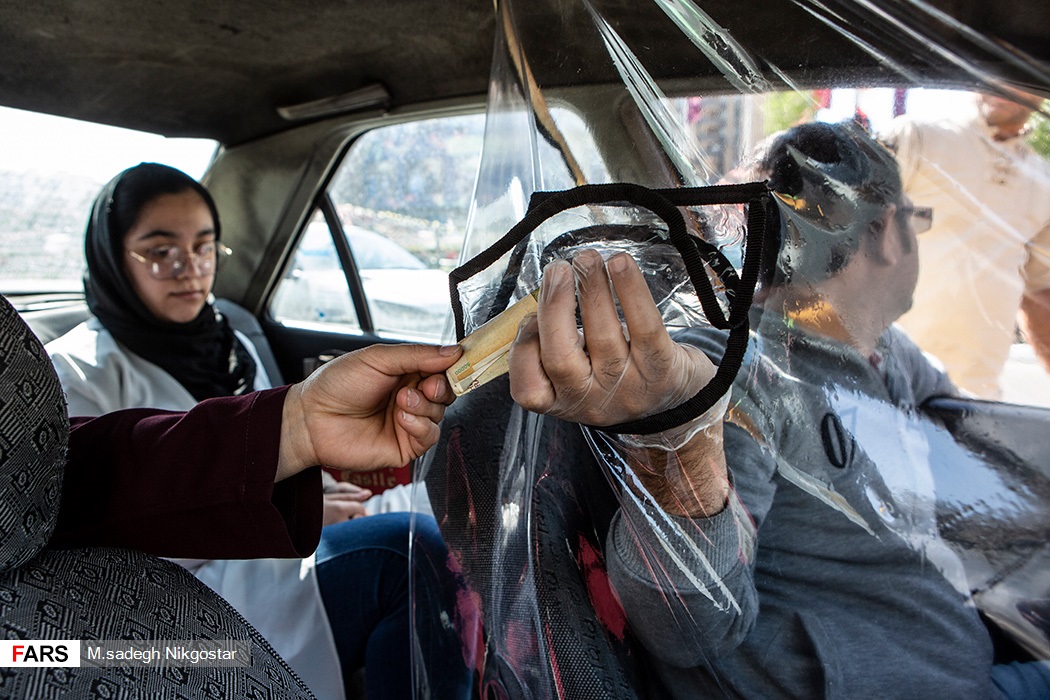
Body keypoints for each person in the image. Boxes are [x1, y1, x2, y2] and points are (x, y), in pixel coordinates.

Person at [505, 122, 1049, 698]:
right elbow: (690, 628)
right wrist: (677, 444)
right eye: (918, 221)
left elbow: (980, 452)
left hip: (962, 663)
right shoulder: (736, 375)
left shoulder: (886, 355)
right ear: (887, 230)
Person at [44, 163, 459, 700]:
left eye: (204, 246)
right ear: (111, 258)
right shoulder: (76, 373)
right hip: (175, 631)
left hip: (283, 575)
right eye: (160, 250)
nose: (188, 267)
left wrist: (313, 488)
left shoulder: (230, 342)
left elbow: (279, 454)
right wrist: (277, 498)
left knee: (424, 543)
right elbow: (84, 529)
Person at [880, 88, 1050, 399]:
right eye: (994, 64)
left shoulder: (1043, 182)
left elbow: (1039, 294)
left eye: (1016, 70)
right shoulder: (916, 138)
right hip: (887, 386)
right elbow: (843, 236)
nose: (1002, 83)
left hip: (975, 399)